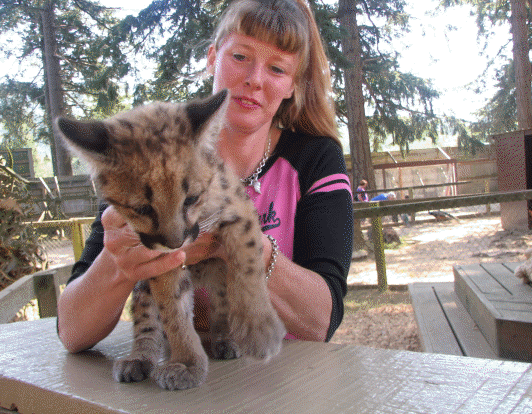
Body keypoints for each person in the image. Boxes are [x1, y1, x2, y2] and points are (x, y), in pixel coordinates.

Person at [57, 0, 353, 353]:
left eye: (276, 68)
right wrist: (119, 261)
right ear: (213, 57)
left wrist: (238, 242)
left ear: (293, 85)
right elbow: (72, 332)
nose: (254, 80)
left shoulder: (315, 158)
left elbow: (322, 321)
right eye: (240, 57)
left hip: (284, 377)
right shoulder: (149, 154)